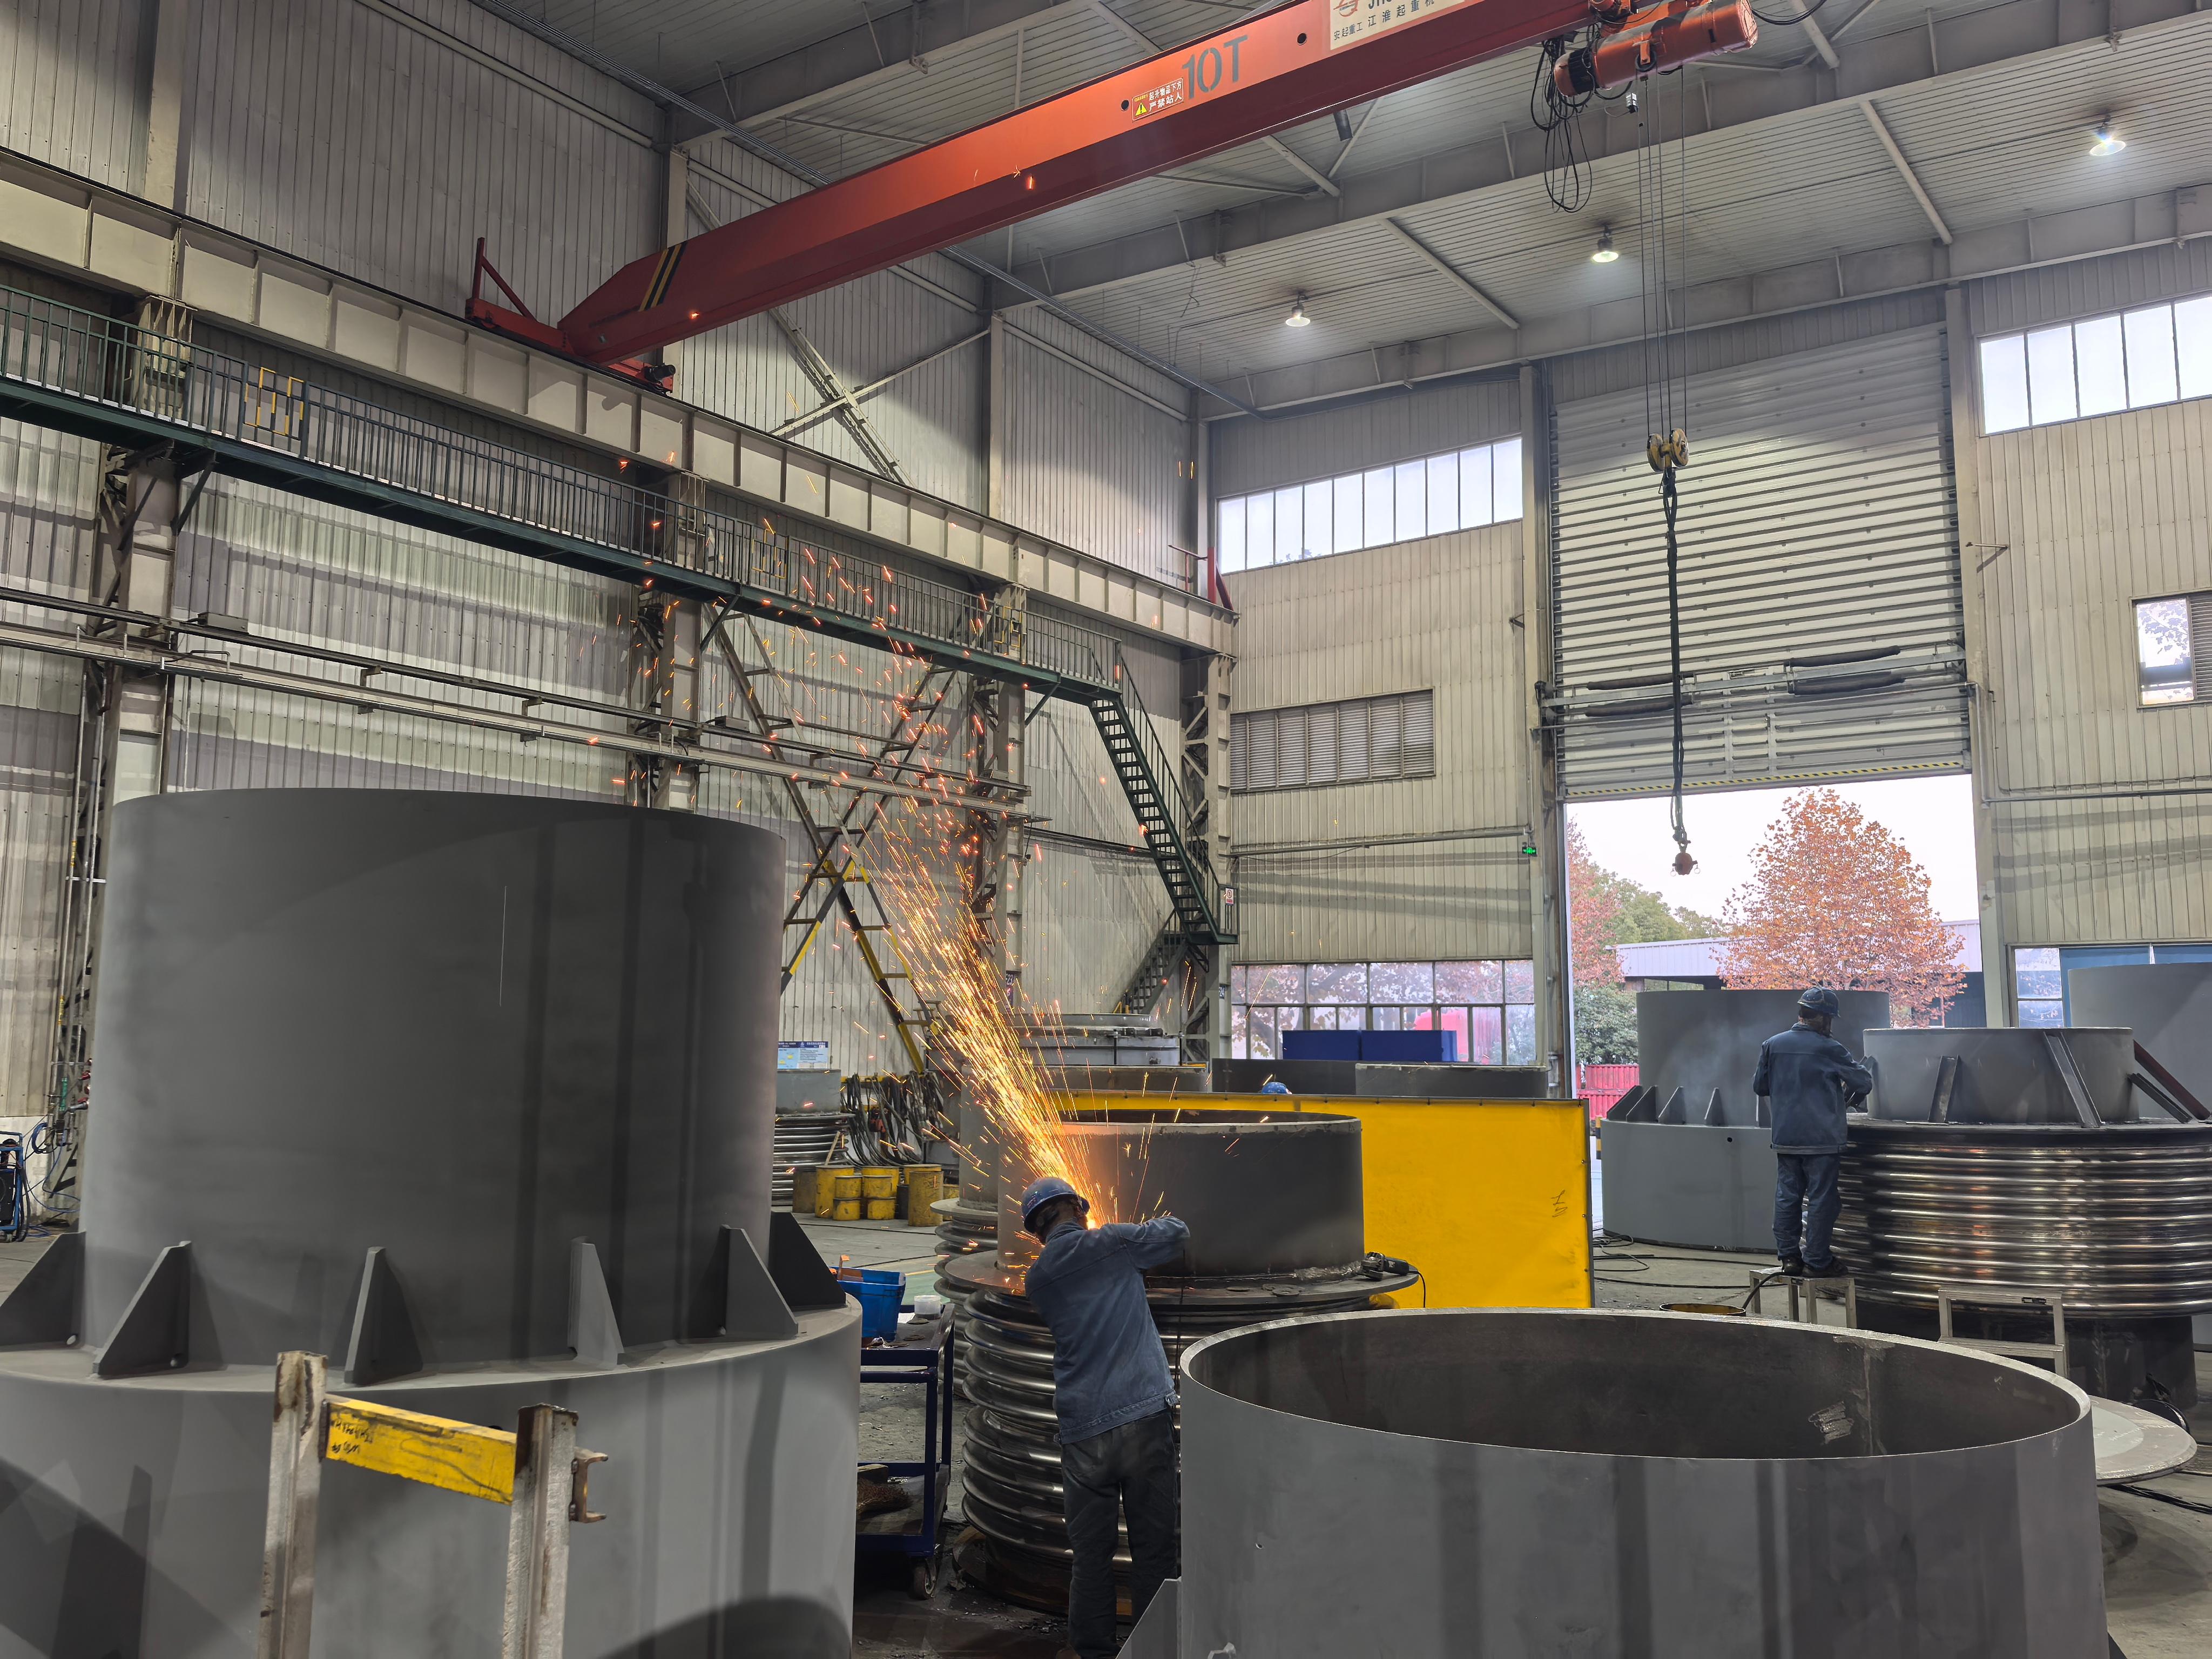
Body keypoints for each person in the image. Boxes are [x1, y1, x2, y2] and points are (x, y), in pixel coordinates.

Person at [1018, 1174, 1189, 1659]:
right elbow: (1177, 1233)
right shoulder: (1112, 1242)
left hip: (1083, 1429)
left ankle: (1093, 1651)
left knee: (1091, 1555)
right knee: (1153, 1549)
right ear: (1078, 1208)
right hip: (1143, 1418)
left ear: (1037, 1232)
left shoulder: (1037, 1280)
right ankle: (1152, 1649)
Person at [1752, 987, 1873, 1278]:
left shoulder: (1772, 1045)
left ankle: (1789, 1259)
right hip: (1822, 1140)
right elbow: (1864, 1082)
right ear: (1823, 1018)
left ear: (1802, 1013)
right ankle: (1818, 1261)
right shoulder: (1830, 1048)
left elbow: (1760, 1087)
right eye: (1830, 1019)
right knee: (1822, 1200)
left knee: (1787, 1197)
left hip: (1786, 1137)